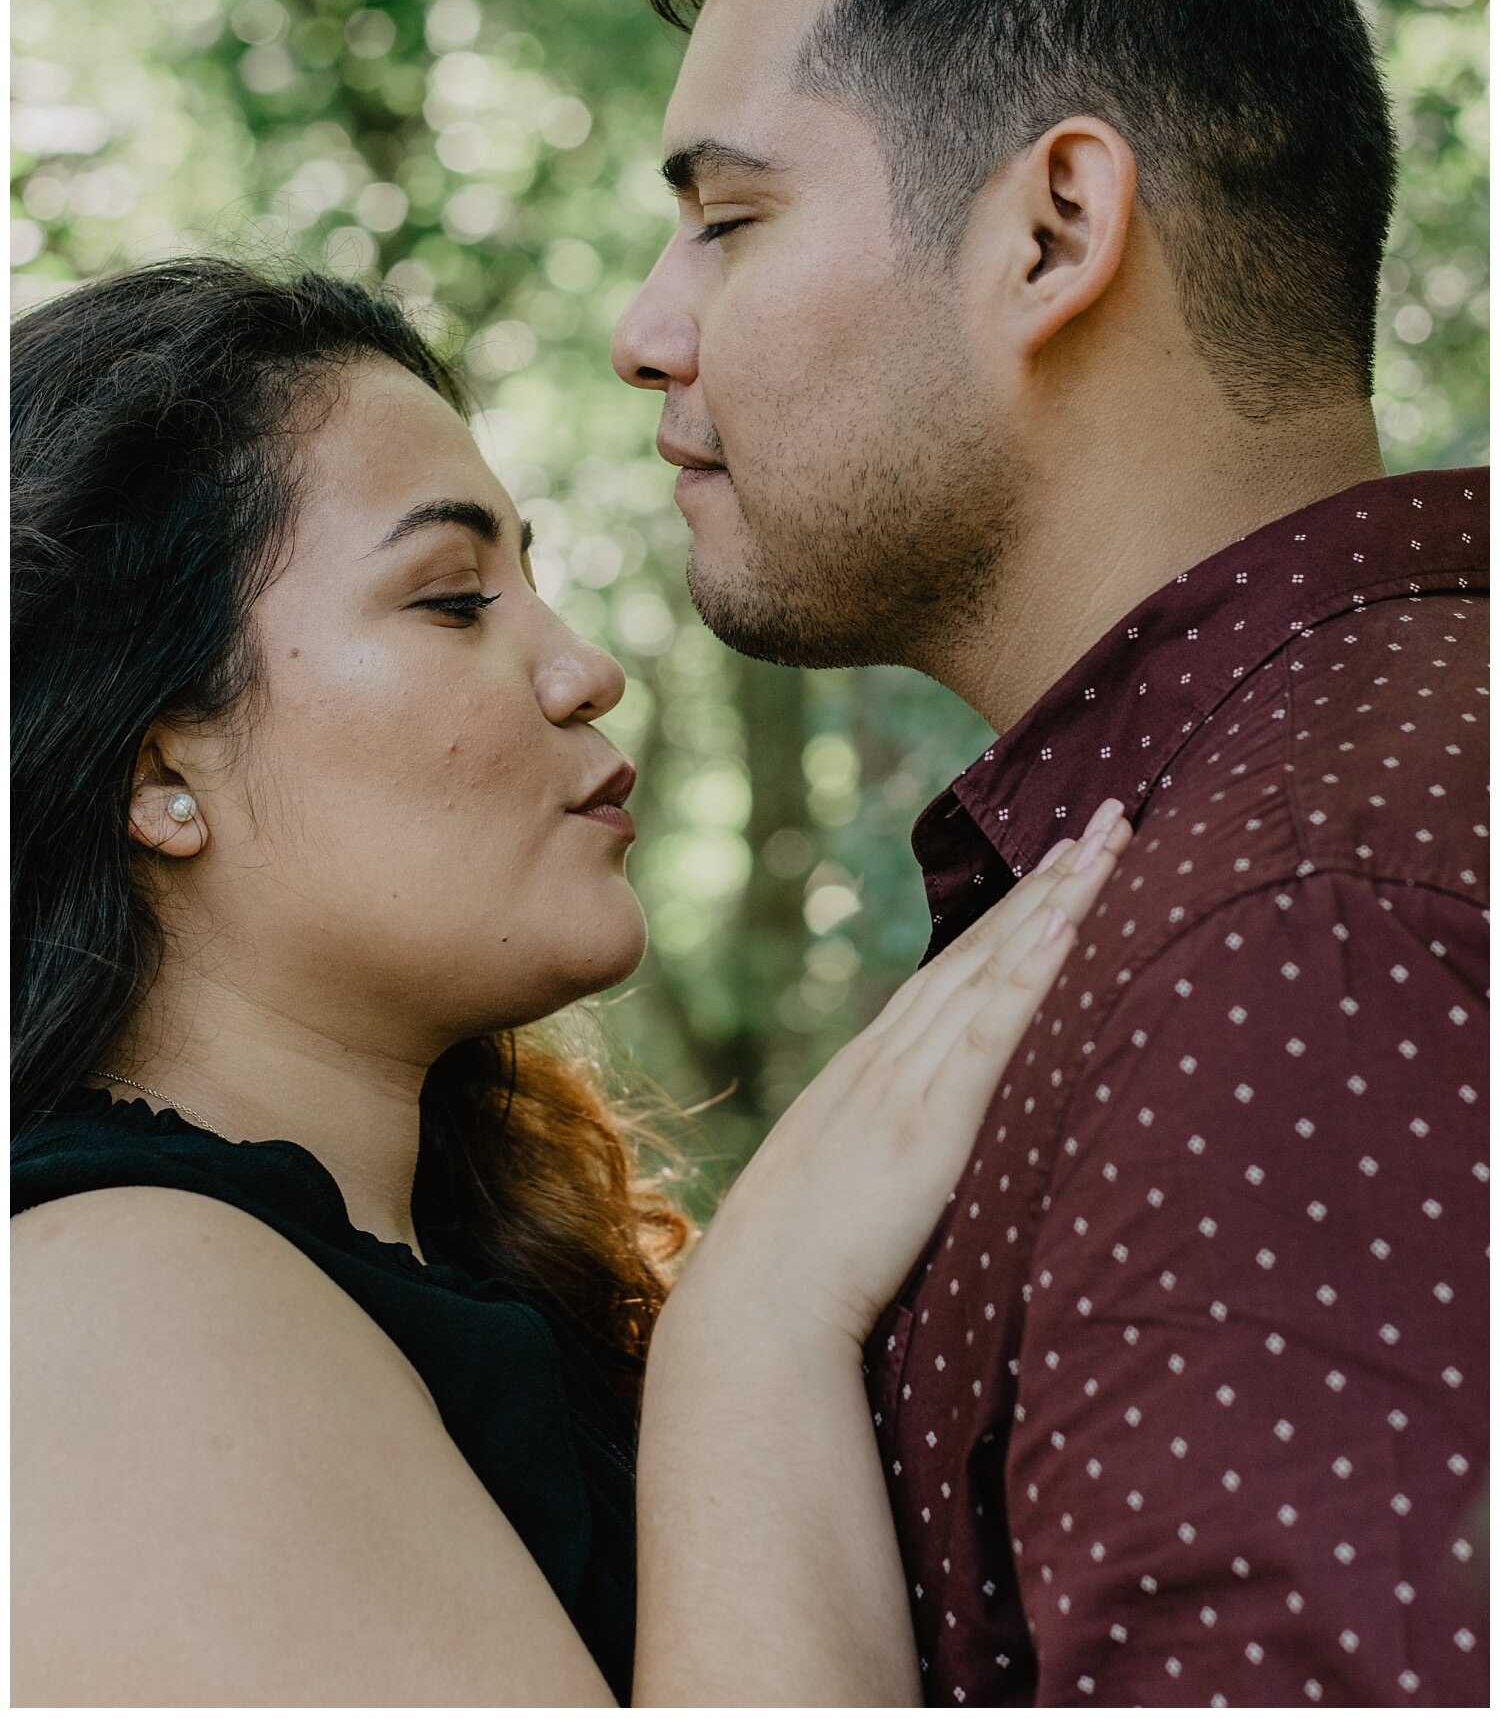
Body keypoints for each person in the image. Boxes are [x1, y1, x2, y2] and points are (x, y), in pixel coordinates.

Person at [613, 0, 1488, 1707]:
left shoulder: (1298, 939)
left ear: (1054, 228)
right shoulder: (1304, 824)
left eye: (729, 220)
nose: (647, 328)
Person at [10, 257, 1133, 1707]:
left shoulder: (429, 1277)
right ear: (162, 769)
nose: (585, 670)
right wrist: (761, 1326)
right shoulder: (114, 1310)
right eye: (453, 599)